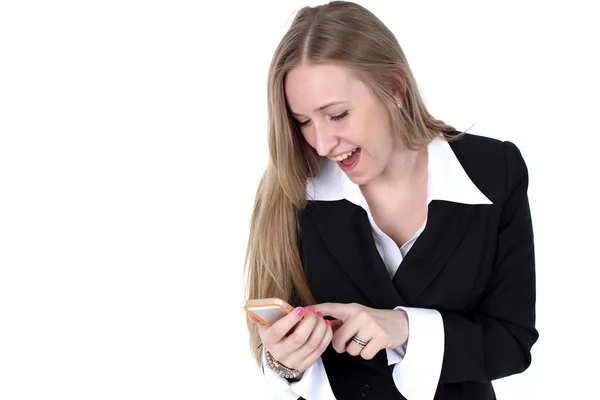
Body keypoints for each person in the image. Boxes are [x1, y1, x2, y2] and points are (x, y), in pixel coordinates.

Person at [243, 1, 538, 399]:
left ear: (394, 87)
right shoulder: (293, 186)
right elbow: (274, 358)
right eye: (303, 122)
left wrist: (404, 326)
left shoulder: (493, 172)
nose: (322, 142)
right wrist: (285, 361)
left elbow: (511, 343)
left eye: (337, 114)